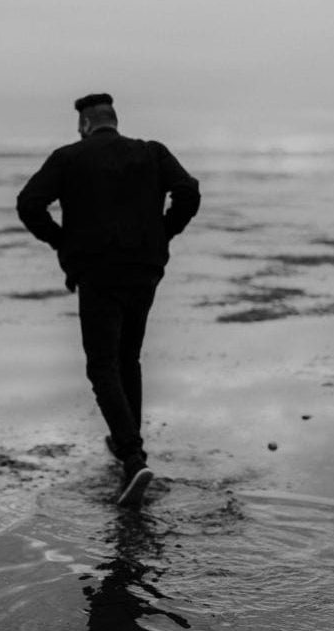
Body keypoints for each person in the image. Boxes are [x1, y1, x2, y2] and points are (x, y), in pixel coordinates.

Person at [16, 93, 200, 506]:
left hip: (98, 273)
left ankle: (133, 459)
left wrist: (63, 241)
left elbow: (28, 204)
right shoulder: (151, 153)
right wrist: (162, 233)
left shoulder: (69, 158)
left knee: (102, 365)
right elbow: (188, 192)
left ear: (84, 124)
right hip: (144, 270)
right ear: (114, 121)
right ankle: (128, 451)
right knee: (127, 358)